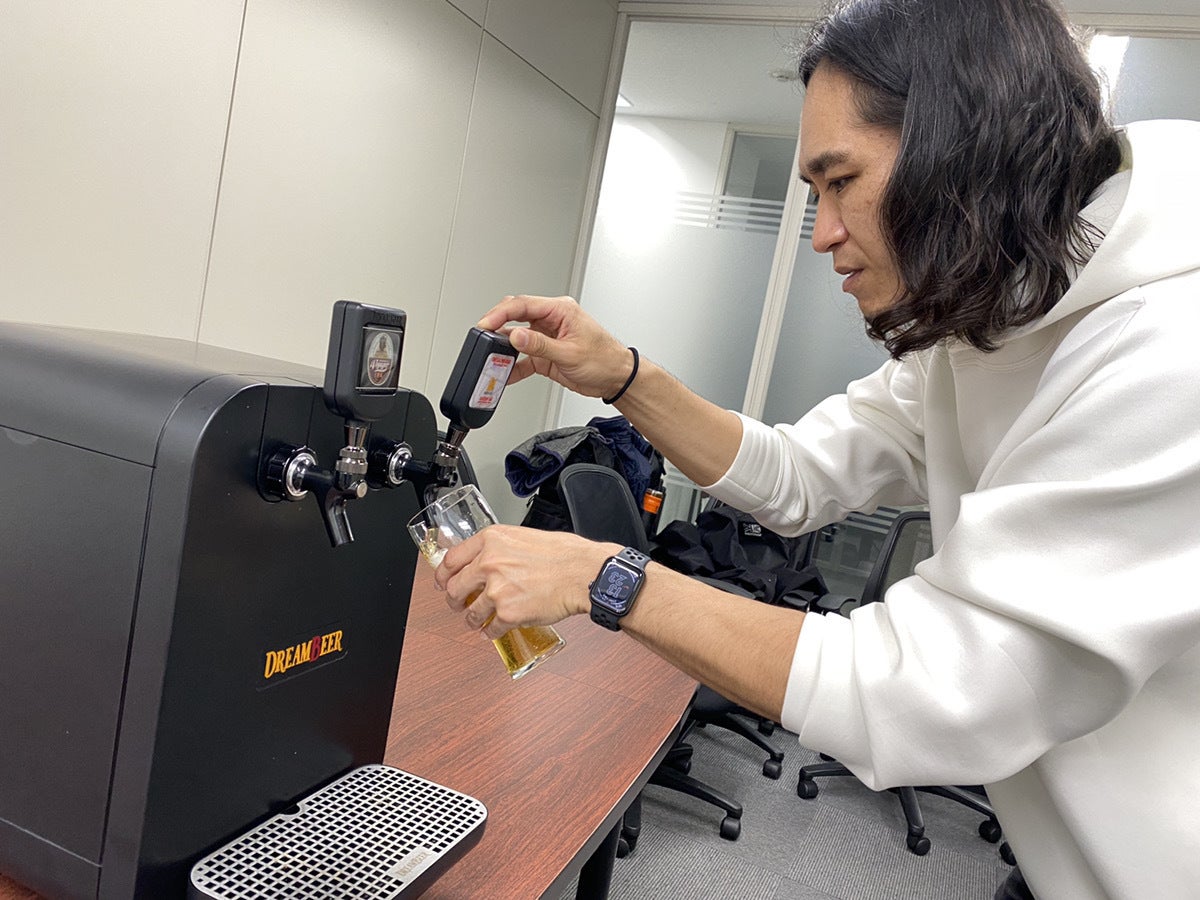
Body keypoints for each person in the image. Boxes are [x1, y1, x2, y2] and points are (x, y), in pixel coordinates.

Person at [434, 1, 1200, 897]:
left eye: (842, 182)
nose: (824, 233)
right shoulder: (990, 314)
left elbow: (933, 690)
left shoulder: (1166, 349)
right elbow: (798, 476)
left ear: (965, 149)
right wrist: (623, 376)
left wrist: (611, 578)